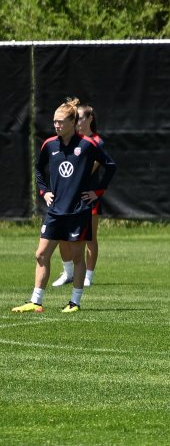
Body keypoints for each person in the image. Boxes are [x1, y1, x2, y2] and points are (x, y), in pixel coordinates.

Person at [12, 98, 117, 314]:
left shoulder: (87, 145)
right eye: (54, 122)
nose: (57, 125)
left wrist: (97, 193)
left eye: (61, 122)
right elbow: (39, 169)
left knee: (77, 258)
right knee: (41, 254)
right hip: (55, 211)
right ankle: (36, 301)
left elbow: (110, 165)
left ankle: (75, 302)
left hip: (78, 210)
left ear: (73, 122)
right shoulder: (49, 144)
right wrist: (45, 191)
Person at [51, 102, 107, 288]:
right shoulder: (72, 141)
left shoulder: (96, 142)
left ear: (90, 119)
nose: (78, 122)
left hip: (87, 197)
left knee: (89, 238)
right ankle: (68, 273)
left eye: (81, 118)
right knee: (61, 235)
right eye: (76, 118)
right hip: (67, 198)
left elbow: (88, 170)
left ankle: (88, 275)